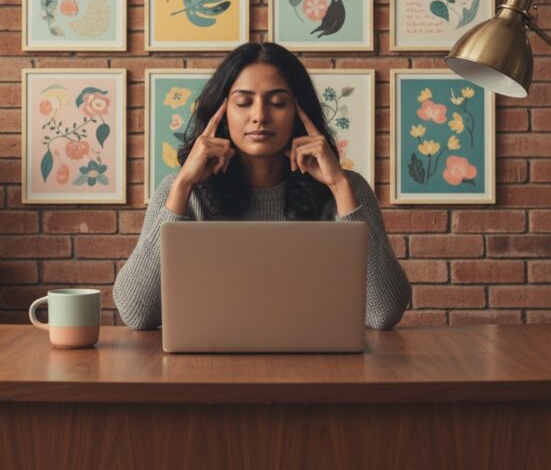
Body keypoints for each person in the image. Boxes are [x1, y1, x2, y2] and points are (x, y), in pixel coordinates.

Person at [113, 42, 412, 331]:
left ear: (299, 112)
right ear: (222, 112)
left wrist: (340, 186)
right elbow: (137, 313)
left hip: (318, 370)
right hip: (208, 368)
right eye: (243, 102)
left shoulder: (346, 189)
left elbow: (383, 312)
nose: (260, 116)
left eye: (278, 102)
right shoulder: (180, 191)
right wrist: (182, 186)